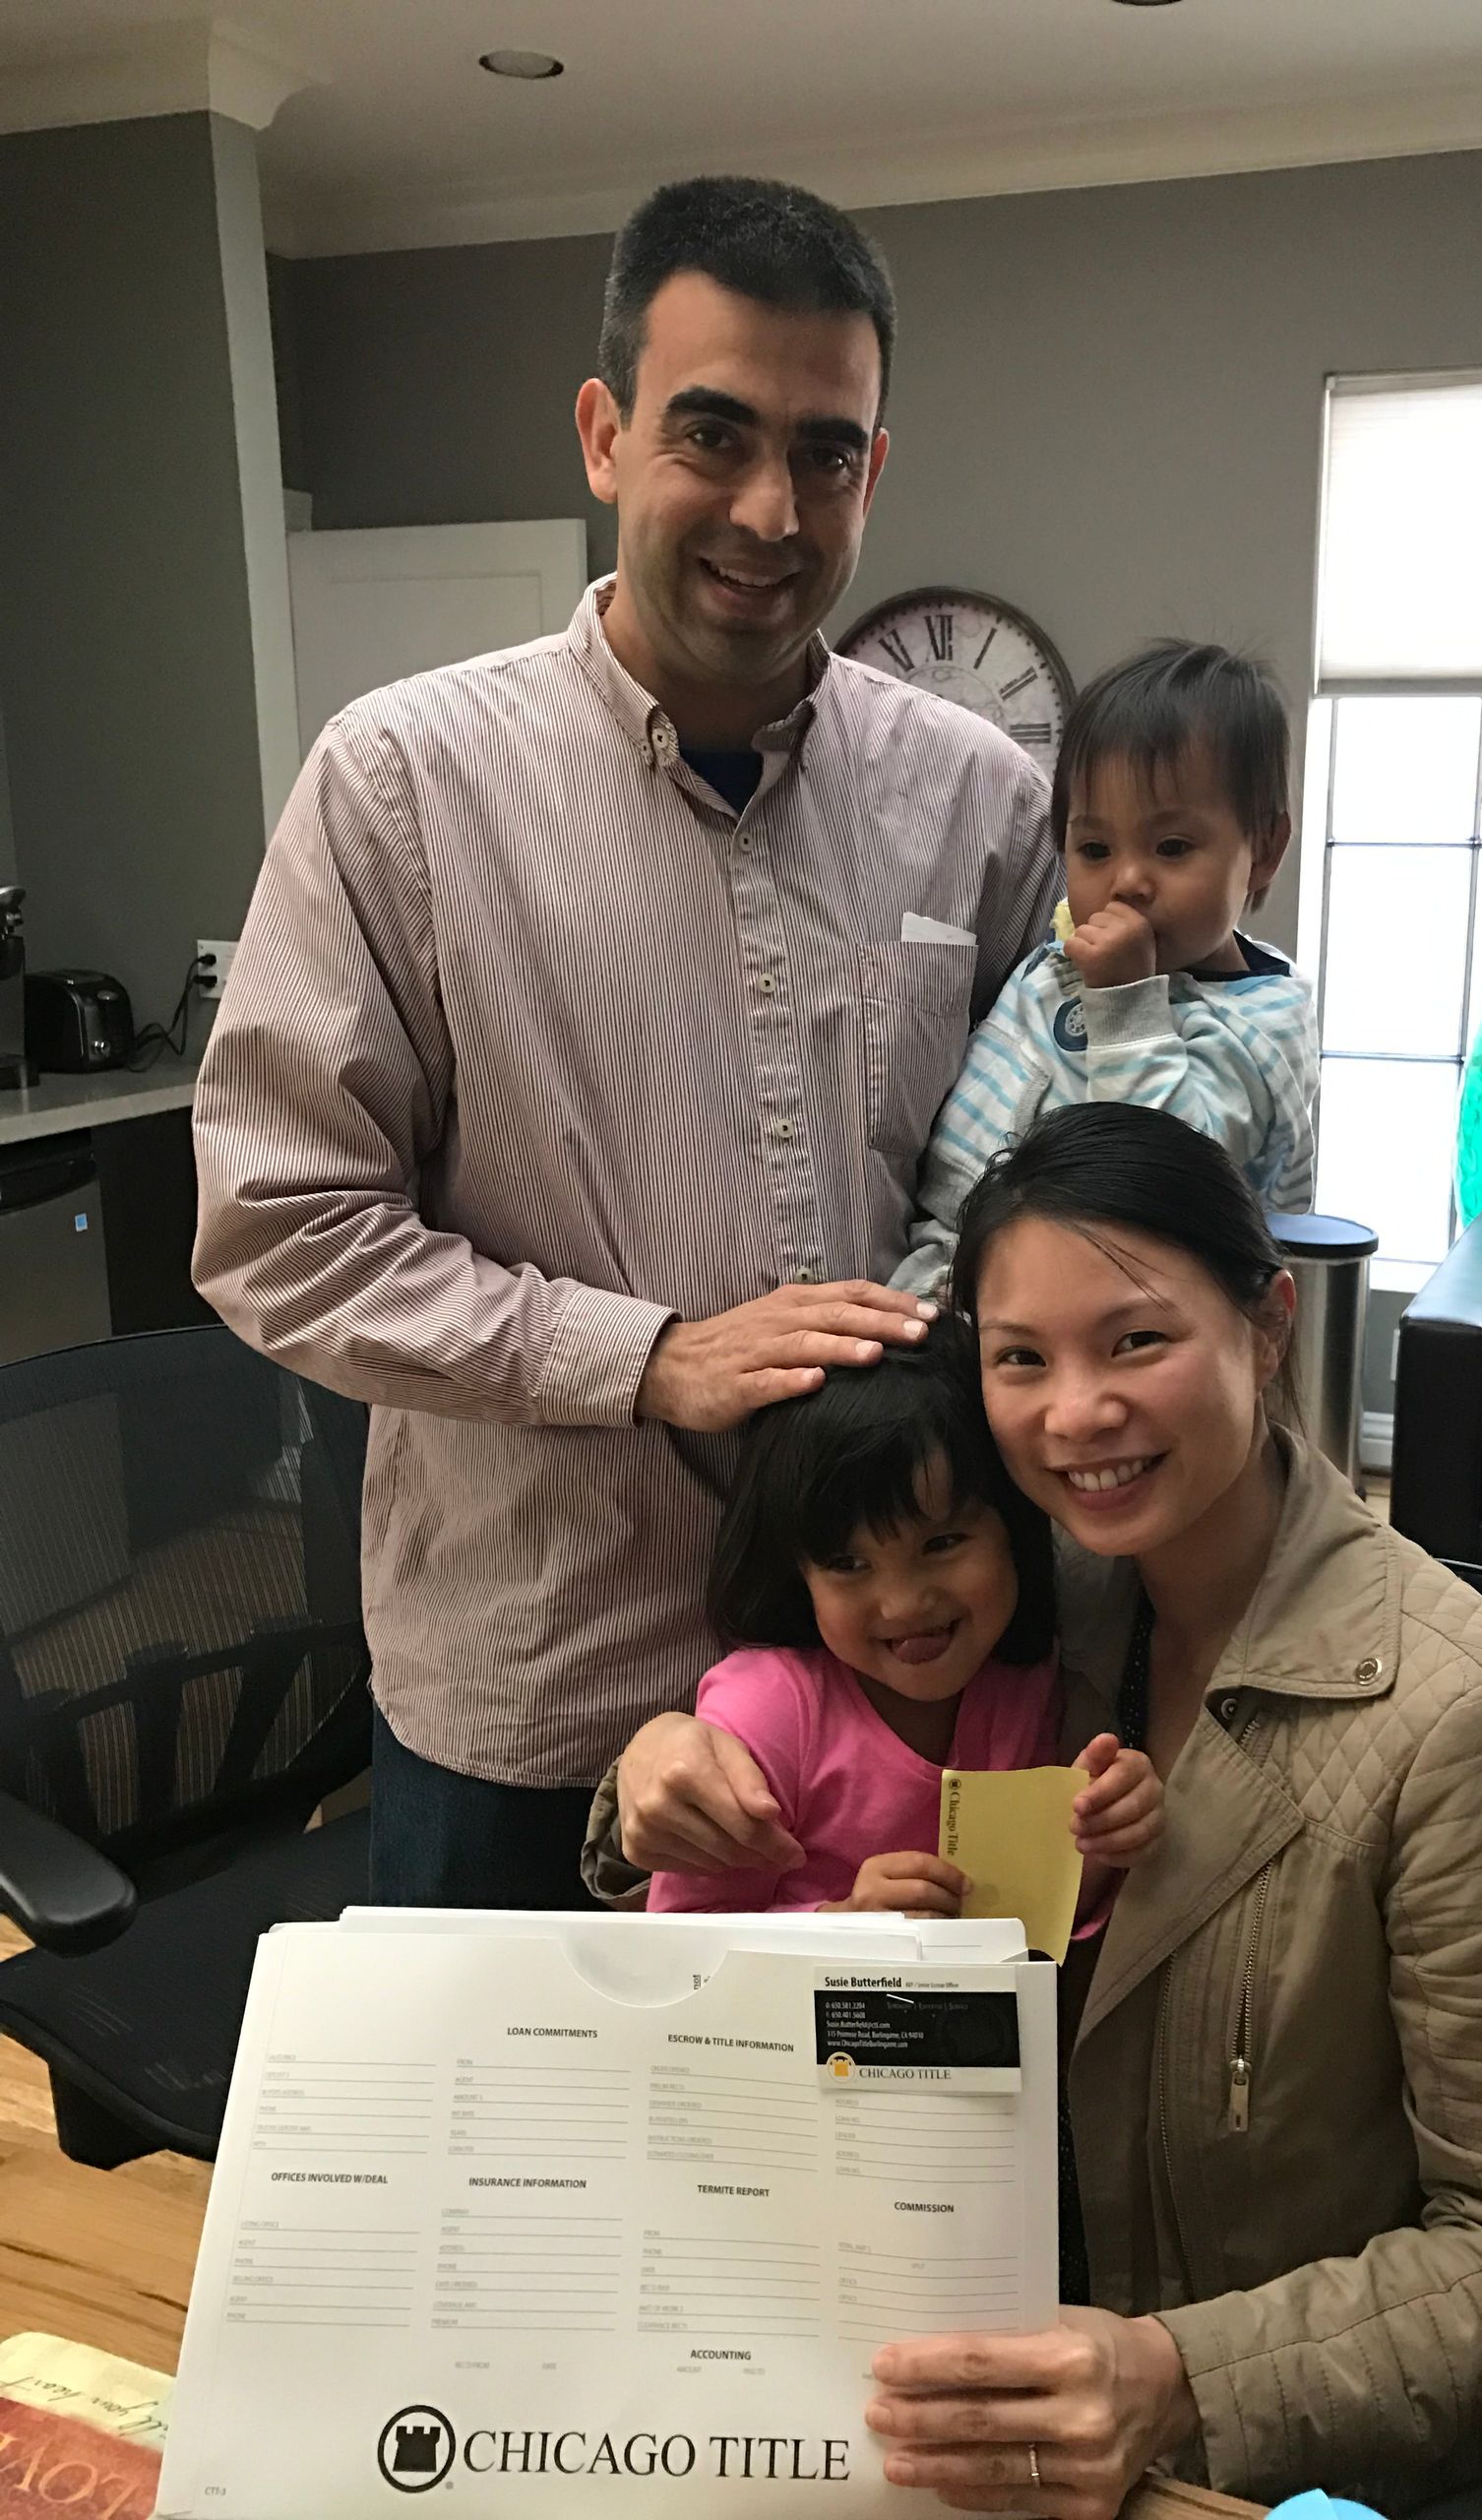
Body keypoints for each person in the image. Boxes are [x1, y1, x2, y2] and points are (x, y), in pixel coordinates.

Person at [191, 175, 1057, 1908]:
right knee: (514, 2100)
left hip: (912, 1686)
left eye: (824, 453)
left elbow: (1059, 1189)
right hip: (547, 1684)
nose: (769, 509)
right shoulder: (400, 786)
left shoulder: (980, 801)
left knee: (909, 2091)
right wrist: (645, 1358)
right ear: (603, 435)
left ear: (875, 470)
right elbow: (277, 1229)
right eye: (712, 435)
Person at [593, 1103, 1482, 2516]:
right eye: (1021, 1358)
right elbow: (802, 1726)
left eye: (1136, 1340)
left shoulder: (1465, 1728)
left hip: (1245, 2468)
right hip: (932, 2357)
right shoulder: (1018, 1597)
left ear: (1266, 1327)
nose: (1075, 1413)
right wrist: (656, 1769)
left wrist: (1181, 2375)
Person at [645, 1313, 1162, 1921]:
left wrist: (1106, 1840)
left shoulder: (1033, 1681)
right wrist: (845, 1926)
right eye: (847, 1564)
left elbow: (1037, 1922)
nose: (902, 1604)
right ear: (797, 1573)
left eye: (941, 1544)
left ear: (1015, 1529)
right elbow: (682, 1943)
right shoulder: (768, 1712)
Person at [893, 641, 1318, 1296]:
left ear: (1263, 851)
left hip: (1119, 1304)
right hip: (954, 1267)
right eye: (1094, 849)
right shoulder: (1056, 964)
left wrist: (1125, 1003)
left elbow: (1163, 1186)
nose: (1127, 881)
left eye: (1171, 847)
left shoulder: (1260, 1029)